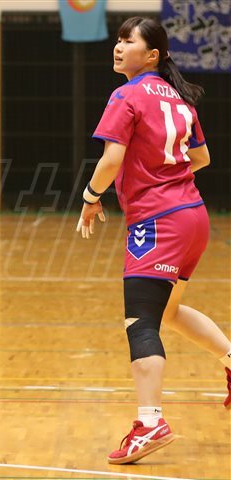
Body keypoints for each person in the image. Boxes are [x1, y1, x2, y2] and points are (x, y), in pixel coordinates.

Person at [75, 17, 231, 465]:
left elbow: (111, 160)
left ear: (152, 55)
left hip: (159, 221)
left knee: (140, 322)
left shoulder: (126, 95)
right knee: (168, 311)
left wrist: (90, 198)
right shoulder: (179, 98)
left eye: (128, 41)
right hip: (193, 215)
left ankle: (149, 423)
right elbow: (201, 157)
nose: (118, 47)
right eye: (118, 39)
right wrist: (166, 176)